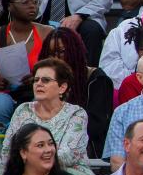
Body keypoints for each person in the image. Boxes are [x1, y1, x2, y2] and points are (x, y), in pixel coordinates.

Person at [0, 57, 93, 175]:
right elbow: (7, 150)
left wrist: (31, 164)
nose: (39, 84)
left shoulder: (76, 113)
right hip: (26, 174)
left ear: (62, 87)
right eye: (36, 80)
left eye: (46, 80)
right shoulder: (23, 110)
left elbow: (68, 155)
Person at [38, 27, 113, 159]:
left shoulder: (96, 80)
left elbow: (95, 127)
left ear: (74, 52)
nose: (55, 58)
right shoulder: (40, 82)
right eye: (50, 54)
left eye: (61, 52)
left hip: (84, 153)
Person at [0, 0, 54, 122]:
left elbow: (59, 68)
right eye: (25, 1)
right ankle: (0, 139)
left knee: (39, 101)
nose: (32, 5)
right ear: (9, 6)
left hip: (38, 91)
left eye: (35, 1)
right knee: (0, 104)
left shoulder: (47, 33)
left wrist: (39, 78)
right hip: (4, 93)